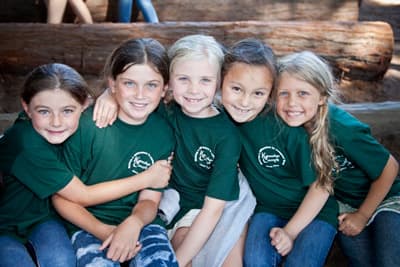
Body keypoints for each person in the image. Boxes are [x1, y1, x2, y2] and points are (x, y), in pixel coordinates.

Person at [0, 63, 172, 267]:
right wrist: (146, 179)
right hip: (7, 225)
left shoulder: (79, 121)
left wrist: (109, 94)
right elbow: (82, 195)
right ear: (26, 108)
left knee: (61, 261)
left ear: (84, 106)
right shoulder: (26, 142)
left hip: (45, 220)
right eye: (44, 112)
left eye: (67, 111)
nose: (56, 122)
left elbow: (144, 100)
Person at [52, 38, 178, 266]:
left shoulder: (163, 132)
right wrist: (103, 230)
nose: (140, 95)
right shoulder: (87, 127)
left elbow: (150, 199)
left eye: (151, 85)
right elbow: (61, 198)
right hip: (88, 224)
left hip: (141, 224)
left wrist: (134, 223)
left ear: (164, 89)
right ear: (112, 84)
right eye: (129, 83)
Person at [275, 51, 400, 267]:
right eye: (283, 93)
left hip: (385, 198)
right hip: (344, 205)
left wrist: (362, 215)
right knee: (360, 259)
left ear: (322, 96)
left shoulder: (341, 128)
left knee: (388, 259)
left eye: (303, 93)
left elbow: (389, 168)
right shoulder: (288, 126)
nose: (291, 103)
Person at [220, 39, 338, 267]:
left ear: (270, 94)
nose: (245, 102)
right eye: (237, 89)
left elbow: (321, 186)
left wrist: (291, 232)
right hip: (268, 209)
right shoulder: (221, 121)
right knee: (255, 261)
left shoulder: (284, 128)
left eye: (258, 93)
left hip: (314, 211)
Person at [161, 34, 256, 267]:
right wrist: (108, 97)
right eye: (183, 78)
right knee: (180, 247)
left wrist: (178, 263)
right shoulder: (164, 112)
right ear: (169, 80)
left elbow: (213, 209)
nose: (194, 90)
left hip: (216, 203)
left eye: (205, 80)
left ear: (219, 82)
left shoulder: (226, 135)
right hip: (176, 203)